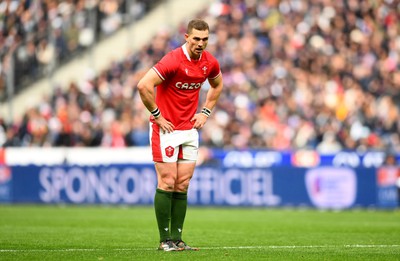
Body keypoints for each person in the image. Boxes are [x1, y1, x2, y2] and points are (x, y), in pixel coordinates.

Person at [137, 19, 223, 251]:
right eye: (196, 38)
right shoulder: (173, 60)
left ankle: (177, 238)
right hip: (166, 129)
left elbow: (217, 85)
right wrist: (157, 115)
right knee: (167, 181)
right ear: (186, 37)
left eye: (205, 39)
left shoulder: (209, 62)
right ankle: (164, 241)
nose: (201, 43)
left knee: (183, 184)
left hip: (189, 130)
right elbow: (143, 85)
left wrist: (205, 112)